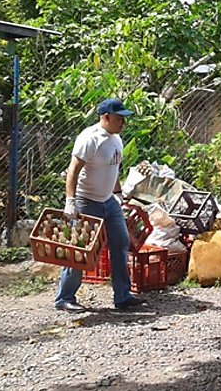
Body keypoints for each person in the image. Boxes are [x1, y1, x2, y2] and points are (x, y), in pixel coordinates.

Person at [54, 98, 146, 312]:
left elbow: (112, 169)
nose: (123, 122)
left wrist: (118, 195)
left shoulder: (116, 139)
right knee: (80, 249)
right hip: (87, 201)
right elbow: (73, 170)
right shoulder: (90, 138)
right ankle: (64, 298)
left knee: (121, 242)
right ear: (105, 117)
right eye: (119, 118)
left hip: (108, 201)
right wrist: (71, 201)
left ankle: (122, 296)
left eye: (124, 118)